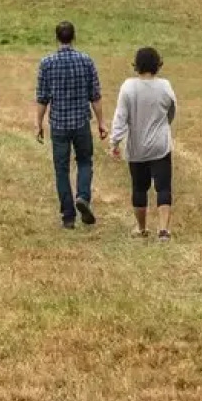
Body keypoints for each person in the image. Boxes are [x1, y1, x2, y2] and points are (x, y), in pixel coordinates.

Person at [35, 21, 106, 229]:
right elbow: (95, 96)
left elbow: (42, 98)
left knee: (61, 169)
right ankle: (82, 196)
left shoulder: (47, 63)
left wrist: (38, 124)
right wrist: (101, 123)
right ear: (74, 37)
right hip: (81, 123)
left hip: (59, 124)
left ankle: (68, 216)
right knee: (84, 162)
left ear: (57, 38)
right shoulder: (86, 61)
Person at [108, 47, 178, 241]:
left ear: (136, 65)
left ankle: (142, 228)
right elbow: (172, 111)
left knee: (139, 188)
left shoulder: (128, 87)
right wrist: (163, 125)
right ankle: (163, 229)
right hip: (160, 145)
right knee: (163, 187)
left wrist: (114, 142)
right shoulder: (165, 86)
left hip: (136, 147)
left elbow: (120, 118)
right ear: (157, 65)